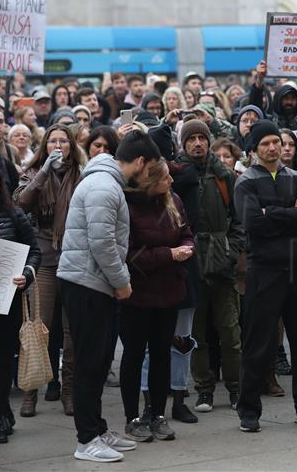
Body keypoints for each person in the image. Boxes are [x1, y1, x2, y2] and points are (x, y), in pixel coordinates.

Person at [56, 129, 161, 462]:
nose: (150, 175)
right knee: (90, 362)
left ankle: (98, 429)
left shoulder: (107, 182)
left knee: (100, 361)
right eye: (150, 168)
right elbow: (101, 243)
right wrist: (122, 281)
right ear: (140, 161)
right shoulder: (103, 186)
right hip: (87, 283)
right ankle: (86, 439)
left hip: (92, 282)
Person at [234, 120, 297, 432]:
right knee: (258, 343)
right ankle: (248, 410)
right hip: (264, 270)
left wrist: (271, 212)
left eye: (277, 142)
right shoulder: (246, 182)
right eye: (266, 144)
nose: (273, 148)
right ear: (254, 150)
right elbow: (252, 224)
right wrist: (290, 213)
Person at [13, 124, 86, 418]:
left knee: (71, 331)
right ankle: (30, 392)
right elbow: (21, 203)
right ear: (44, 146)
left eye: (63, 141)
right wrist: (43, 171)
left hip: (73, 255)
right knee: (37, 327)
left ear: (71, 145)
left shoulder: (81, 174)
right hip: (42, 257)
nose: (58, 146)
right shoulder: (32, 173)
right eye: (53, 141)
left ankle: (68, 390)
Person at [120, 159, 194, 442]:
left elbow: (187, 234)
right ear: (151, 181)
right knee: (134, 355)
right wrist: (169, 255)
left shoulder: (173, 200)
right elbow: (129, 254)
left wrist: (187, 248)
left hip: (169, 291)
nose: (171, 182)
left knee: (162, 353)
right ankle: (132, 417)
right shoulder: (128, 207)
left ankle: (158, 414)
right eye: (165, 178)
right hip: (137, 294)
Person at [175, 120, 243, 413]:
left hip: (220, 262)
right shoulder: (175, 174)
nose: (198, 143)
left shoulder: (224, 175)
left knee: (230, 332)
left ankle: (237, 387)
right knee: (197, 334)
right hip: (190, 263)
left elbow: (239, 222)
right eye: (192, 139)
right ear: (184, 143)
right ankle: (204, 389)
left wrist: (230, 252)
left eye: (203, 137)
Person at [0, 162, 42, 444]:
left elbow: (34, 252)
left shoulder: (14, 214)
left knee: (3, 358)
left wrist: (26, 274)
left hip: (7, 299)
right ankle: (3, 410)